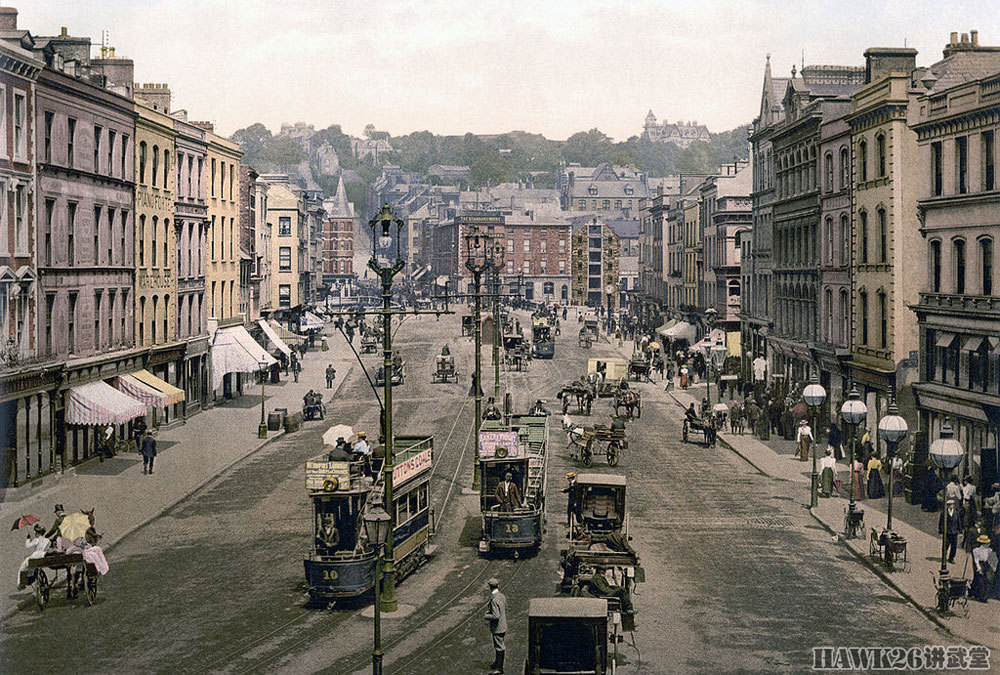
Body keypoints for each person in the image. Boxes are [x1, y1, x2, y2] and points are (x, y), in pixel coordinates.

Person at [484, 577, 507, 674]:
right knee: (498, 645)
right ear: (498, 586)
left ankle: (499, 668)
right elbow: (505, 608)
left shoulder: (494, 600)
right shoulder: (502, 596)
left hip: (497, 627)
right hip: (503, 625)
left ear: (490, 587)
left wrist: (486, 616)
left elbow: (496, 616)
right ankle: (497, 663)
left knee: (499, 647)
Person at [17, 523, 51, 589]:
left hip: (36, 556)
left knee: (23, 567)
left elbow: (28, 546)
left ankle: (20, 583)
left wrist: (28, 539)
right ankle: (31, 577)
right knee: (32, 566)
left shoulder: (36, 540)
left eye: (35, 532)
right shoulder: (48, 540)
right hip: (43, 556)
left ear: (37, 532)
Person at [971, 535, 995, 603]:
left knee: (987, 580)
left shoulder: (989, 550)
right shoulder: (976, 550)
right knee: (980, 580)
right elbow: (976, 560)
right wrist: (979, 568)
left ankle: (984, 596)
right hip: (979, 564)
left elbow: (990, 559)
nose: (988, 544)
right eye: (987, 543)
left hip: (986, 564)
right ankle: (981, 596)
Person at [939, 498, 963, 563]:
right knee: (945, 546)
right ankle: (944, 557)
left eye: (952, 505)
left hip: (954, 532)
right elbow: (941, 522)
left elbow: (959, 522)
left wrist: (960, 531)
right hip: (947, 532)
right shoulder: (944, 513)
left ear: (954, 505)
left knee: (954, 547)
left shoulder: (956, 513)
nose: (950, 506)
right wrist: (941, 531)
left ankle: (951, 558)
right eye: (949, 505)